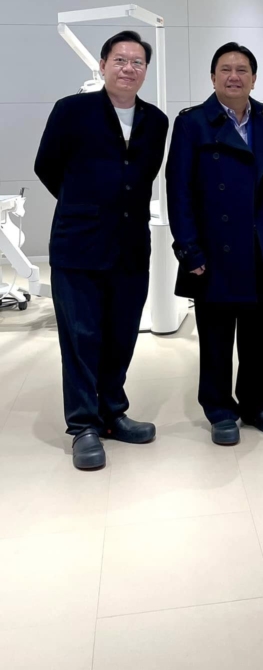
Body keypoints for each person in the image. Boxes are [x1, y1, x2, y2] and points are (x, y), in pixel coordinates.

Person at [34, 30, 169, 470]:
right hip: (78, 244)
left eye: (137, 62)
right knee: (81, 338)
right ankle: (83, 426)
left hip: (130, 246)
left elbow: (145, 174)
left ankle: (112, 412)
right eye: (120, 60)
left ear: (145, 71)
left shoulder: (156, 121)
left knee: (121, 335)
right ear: (103, 64)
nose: (129, 68)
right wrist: (84, 204)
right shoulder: (71, 111)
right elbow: (46, 165)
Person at [166, 42, 263, 445]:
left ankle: (257, 405)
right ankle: (220, 410)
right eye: (225, 69)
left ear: (254, 79)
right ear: (212, 78)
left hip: (261, 246)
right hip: (214, 249)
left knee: (259, 335)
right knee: (216, 337)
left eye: (242, 70)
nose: (234, 76)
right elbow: (179, 190)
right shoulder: (192, 123)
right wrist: (188, 249)